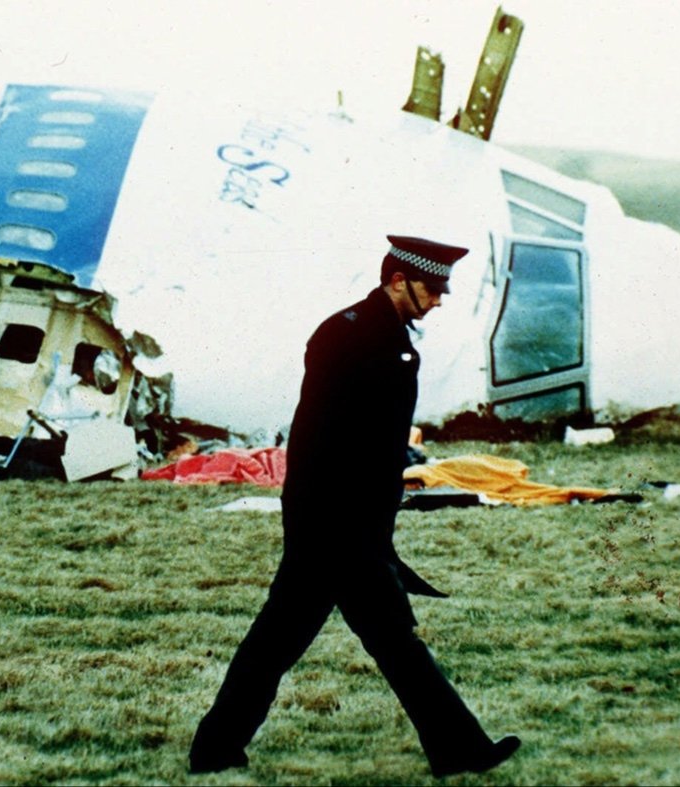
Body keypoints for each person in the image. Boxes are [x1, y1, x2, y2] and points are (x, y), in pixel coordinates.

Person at [188, 235, 521, 779]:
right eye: (432, 288)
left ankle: (216, 748)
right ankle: (460, 750)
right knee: (381, 639)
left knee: (296, 640)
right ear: (398, 281)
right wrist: (351, 528)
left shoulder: (382, 335)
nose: (439, 299)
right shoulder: (349, 336)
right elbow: (324, 438)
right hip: (336, 523)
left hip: (347, 523)